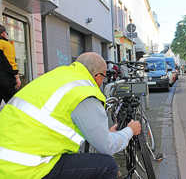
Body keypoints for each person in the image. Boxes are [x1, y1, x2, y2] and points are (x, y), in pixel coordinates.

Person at [0, 52, 141, 179]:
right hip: (24, 168)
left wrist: (103, 134)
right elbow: (107, 146)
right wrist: (130, 131)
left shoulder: (56, 76)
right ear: (98, 76)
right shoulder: (83, 92)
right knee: (107, 166)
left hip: (6, 160)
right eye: (103, 77)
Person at [0, 24, 21, 104]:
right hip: (6, 80)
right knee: (13, 105)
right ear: (3, 34)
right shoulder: (6, 44)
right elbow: (11, 62)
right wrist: (17, 78)